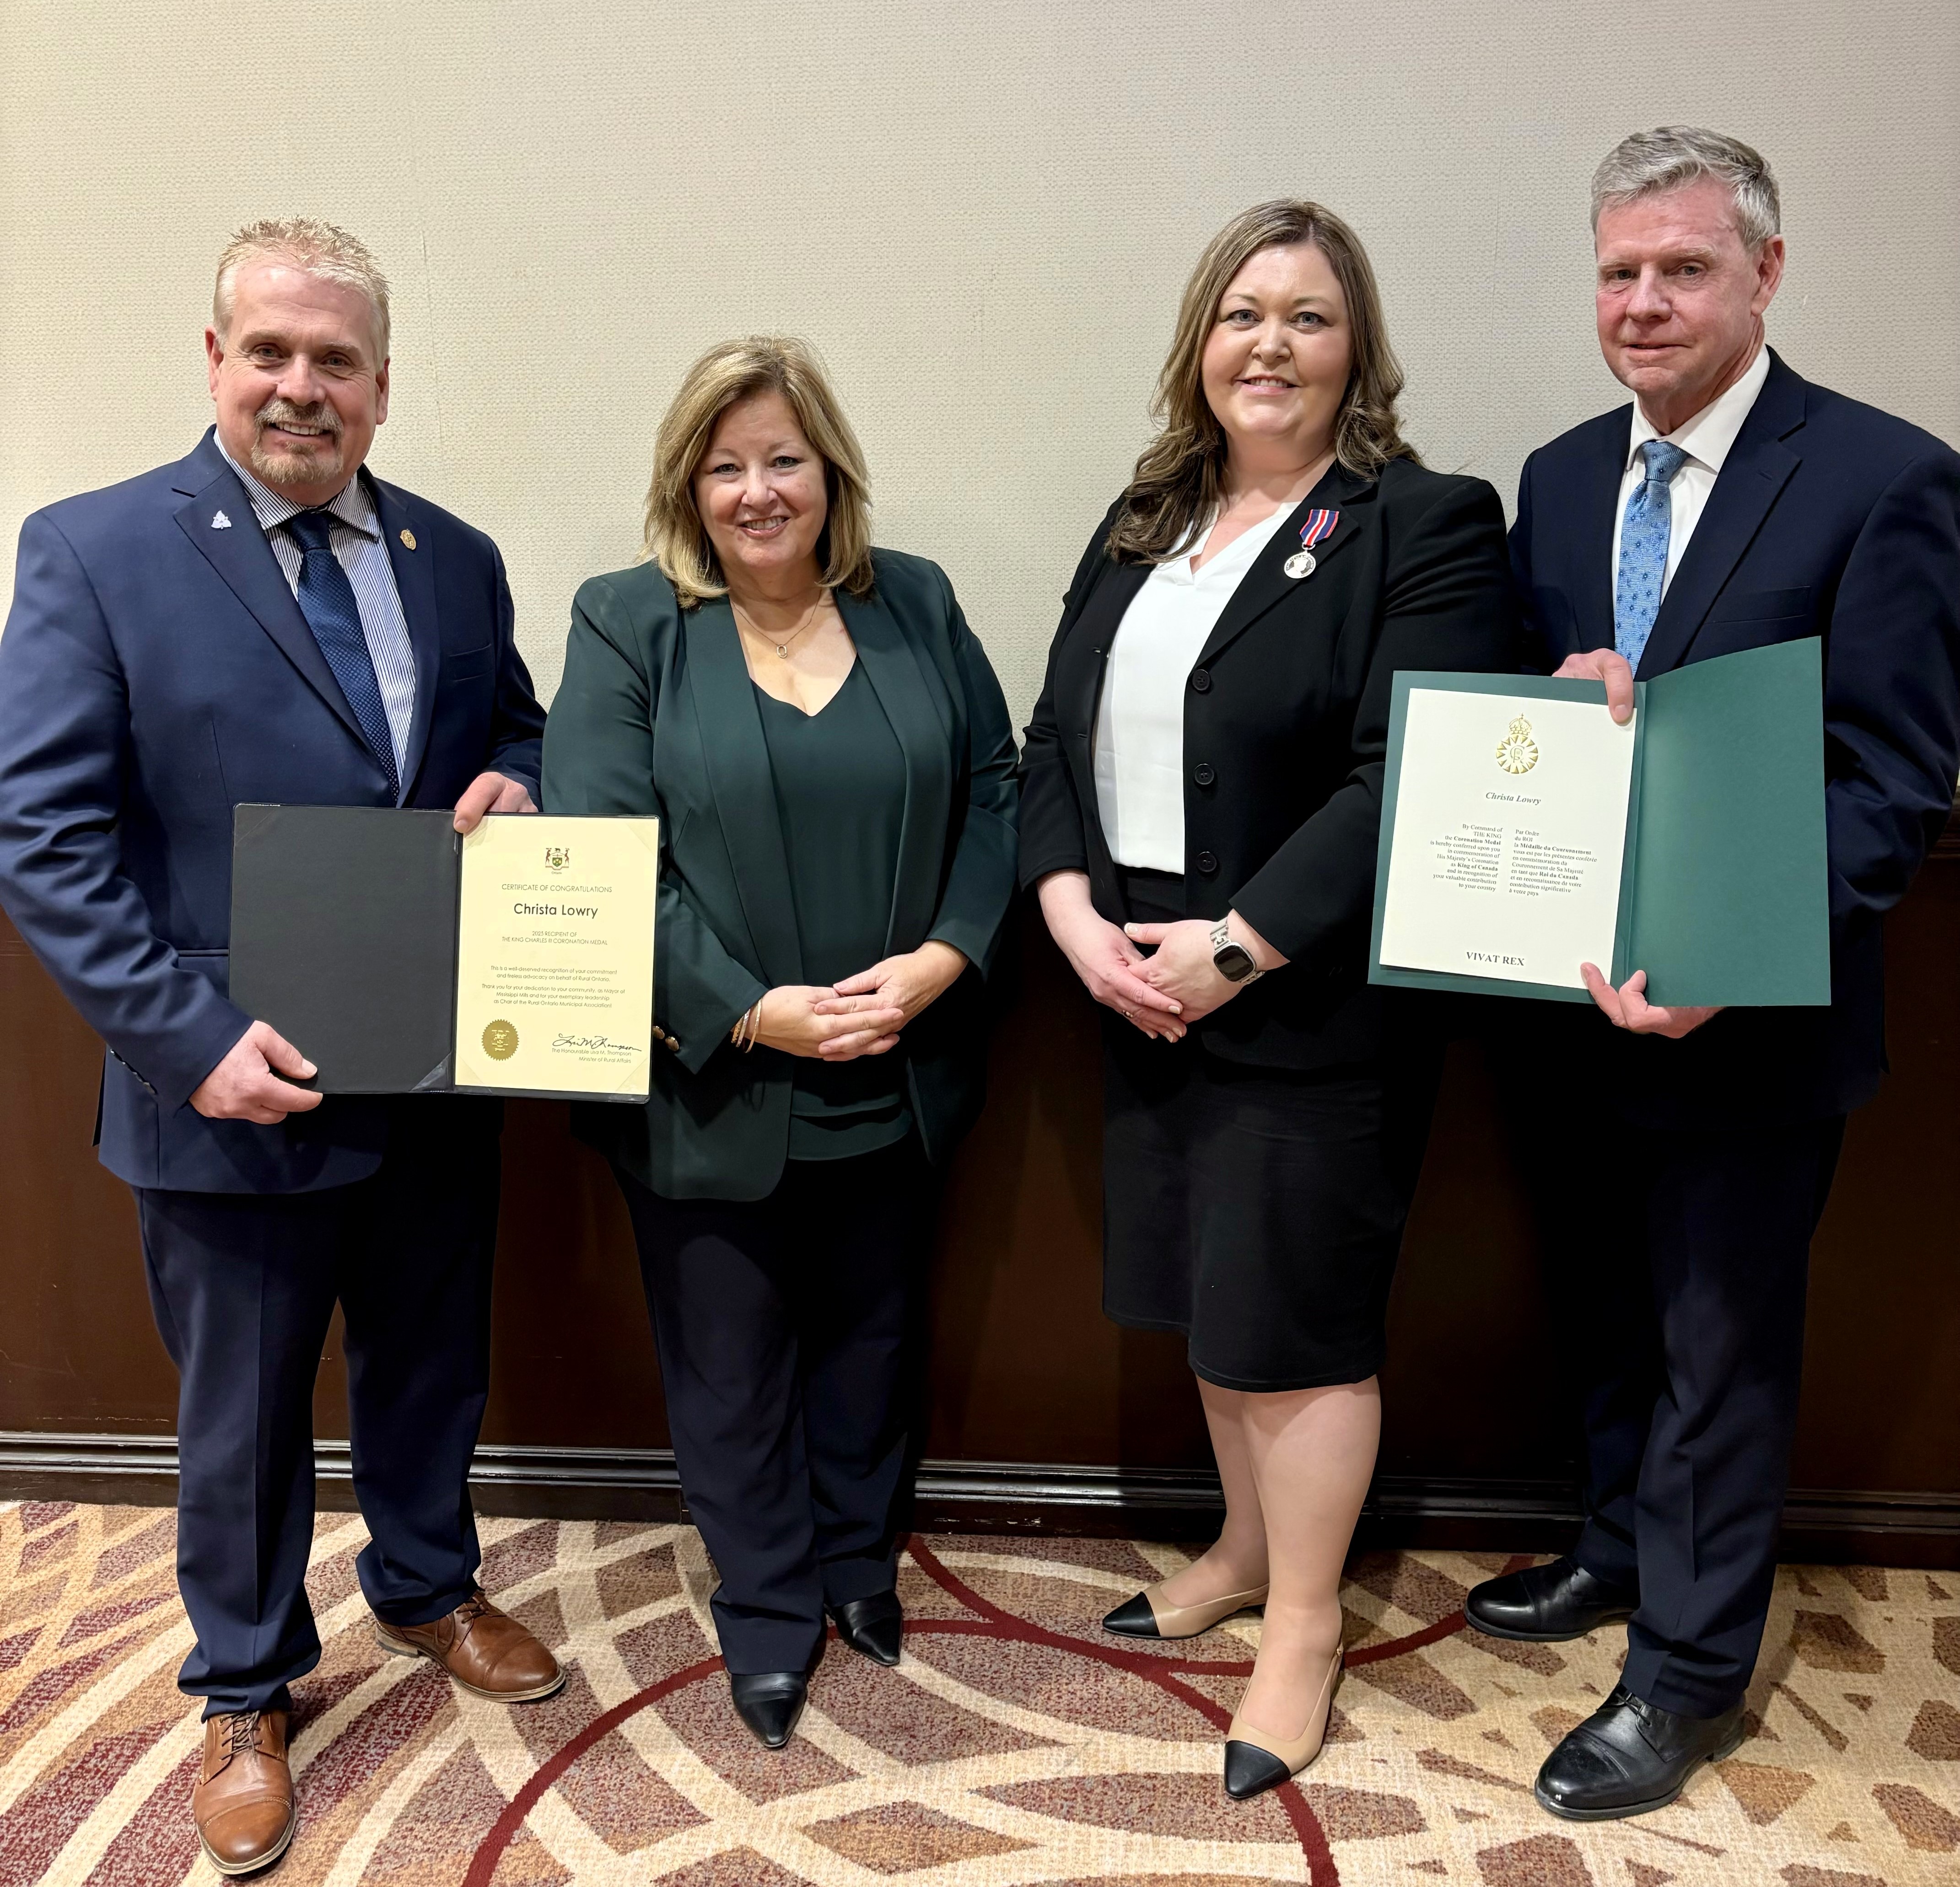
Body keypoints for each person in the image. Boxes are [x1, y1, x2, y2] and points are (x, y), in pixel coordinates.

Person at [0, 219, 558, 1876]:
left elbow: (513, 723)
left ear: (382, 387)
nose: (301, 386)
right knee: (240, 1410)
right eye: (271, 352)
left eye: (336, 360)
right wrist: (186, 1042)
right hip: (227, 1083)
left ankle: (425, 1584)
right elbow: (43, 834)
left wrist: (518, 783)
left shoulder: (454, 558)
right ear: (217, 360)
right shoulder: (94, 549)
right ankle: (243, 1684)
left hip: (435, 1064)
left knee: (429, 1359)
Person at [1465, 127, 1960, 1822]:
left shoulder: (1884, 477)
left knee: (1715, 1351)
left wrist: (1732, 961)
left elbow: (1890, 783)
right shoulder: (1549, 477)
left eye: (1682, 268)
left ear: (1763, 273)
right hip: (1572, 1000)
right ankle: (1611, 1556)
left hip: (1744, 1021)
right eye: (1618, 270)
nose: (1644, 301)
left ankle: (1682, 1678)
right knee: (1606, 1319)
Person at [1020, 200, 1517, 1800]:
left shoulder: (1421, 521)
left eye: (1308, 316)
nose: (1271, 345)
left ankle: (1301, 1625)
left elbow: (1408, 771)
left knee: (1294, 1325)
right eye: (1243, 313)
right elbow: (1048, 740)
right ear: (1200, 342)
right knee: (1210, 1304)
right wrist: (1074, 919)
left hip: (1300, 999)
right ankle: (1240, 1546)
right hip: (1138, 982)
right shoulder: (1144, 514)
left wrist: (1235, 947)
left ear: (1353, 346)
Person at [542, 335, 1018, 1751]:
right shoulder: (628, 620)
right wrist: (754, 1009)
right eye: (725, 464)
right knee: (730, 1358)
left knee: (872, 1338)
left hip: (896, 1060)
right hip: (713, 1073)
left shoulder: (912, 600)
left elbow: (993, 787)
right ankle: (763, 1606)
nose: (757, 491)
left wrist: (937, 966)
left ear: (830, 472)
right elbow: (602, 844)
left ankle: (858, 1569)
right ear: (689, 484)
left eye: (783, 460)